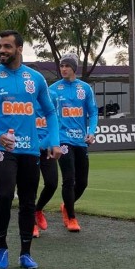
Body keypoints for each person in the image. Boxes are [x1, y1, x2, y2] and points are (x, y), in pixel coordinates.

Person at [0, 30, 61, 269]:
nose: (1, 50)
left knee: (28, 200)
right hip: (2, 148)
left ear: (19, 49)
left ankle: (25, 252)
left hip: (30, 150)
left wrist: (53, 141)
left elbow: (51, 113)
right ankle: (1, 247)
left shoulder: (35, 78)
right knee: (3, 194)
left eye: (7, 46)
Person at [46, 54, 98, 233]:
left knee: (82, 182)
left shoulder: (85, 89)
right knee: (69, 179)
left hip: (81, 141)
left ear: (74, 68)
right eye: (61, 66)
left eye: (67, 66)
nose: (63, 69)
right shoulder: (53, 89)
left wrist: (91, 132)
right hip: (63, 139)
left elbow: (93, 112)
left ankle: (66, 206)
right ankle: (72, 218)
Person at [31, 101, 58, 239]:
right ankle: (31, 224)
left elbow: (54, 121)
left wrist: (47, 143)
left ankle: (38, 209)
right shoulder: (23, 96)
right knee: (31, 186)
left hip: (45, 149)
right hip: (28, 148)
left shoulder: (50, 96)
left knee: (52, 183)